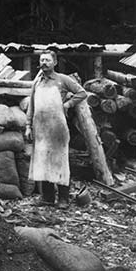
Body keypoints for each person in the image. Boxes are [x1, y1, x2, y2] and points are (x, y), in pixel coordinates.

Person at [25, 50, 87, 208]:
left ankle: (63, 199)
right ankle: (47, 197)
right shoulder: (37, 82)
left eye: (47, 60)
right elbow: (31, 106)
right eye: (42, 60)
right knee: (43, 161)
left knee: (60, 163)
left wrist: (68, 104)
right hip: (40, 129)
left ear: (55, 63)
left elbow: (82, 93)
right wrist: (28, 126)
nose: (44, 63)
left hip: (57, 129)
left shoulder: (62, 80)